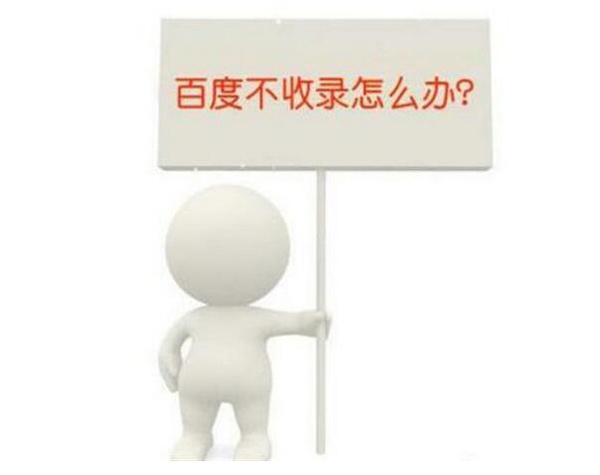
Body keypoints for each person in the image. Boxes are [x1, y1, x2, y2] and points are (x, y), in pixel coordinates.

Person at [159, 185, 328, 460]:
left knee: (253, 416)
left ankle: (254, 437)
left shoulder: (255, 318)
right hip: (196, 390)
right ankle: (195, 435)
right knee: (195, 418)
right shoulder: (196, 318)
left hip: (249, 391)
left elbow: (293, 323)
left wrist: (310, 322)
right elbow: (170, 344)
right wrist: (168, 356)